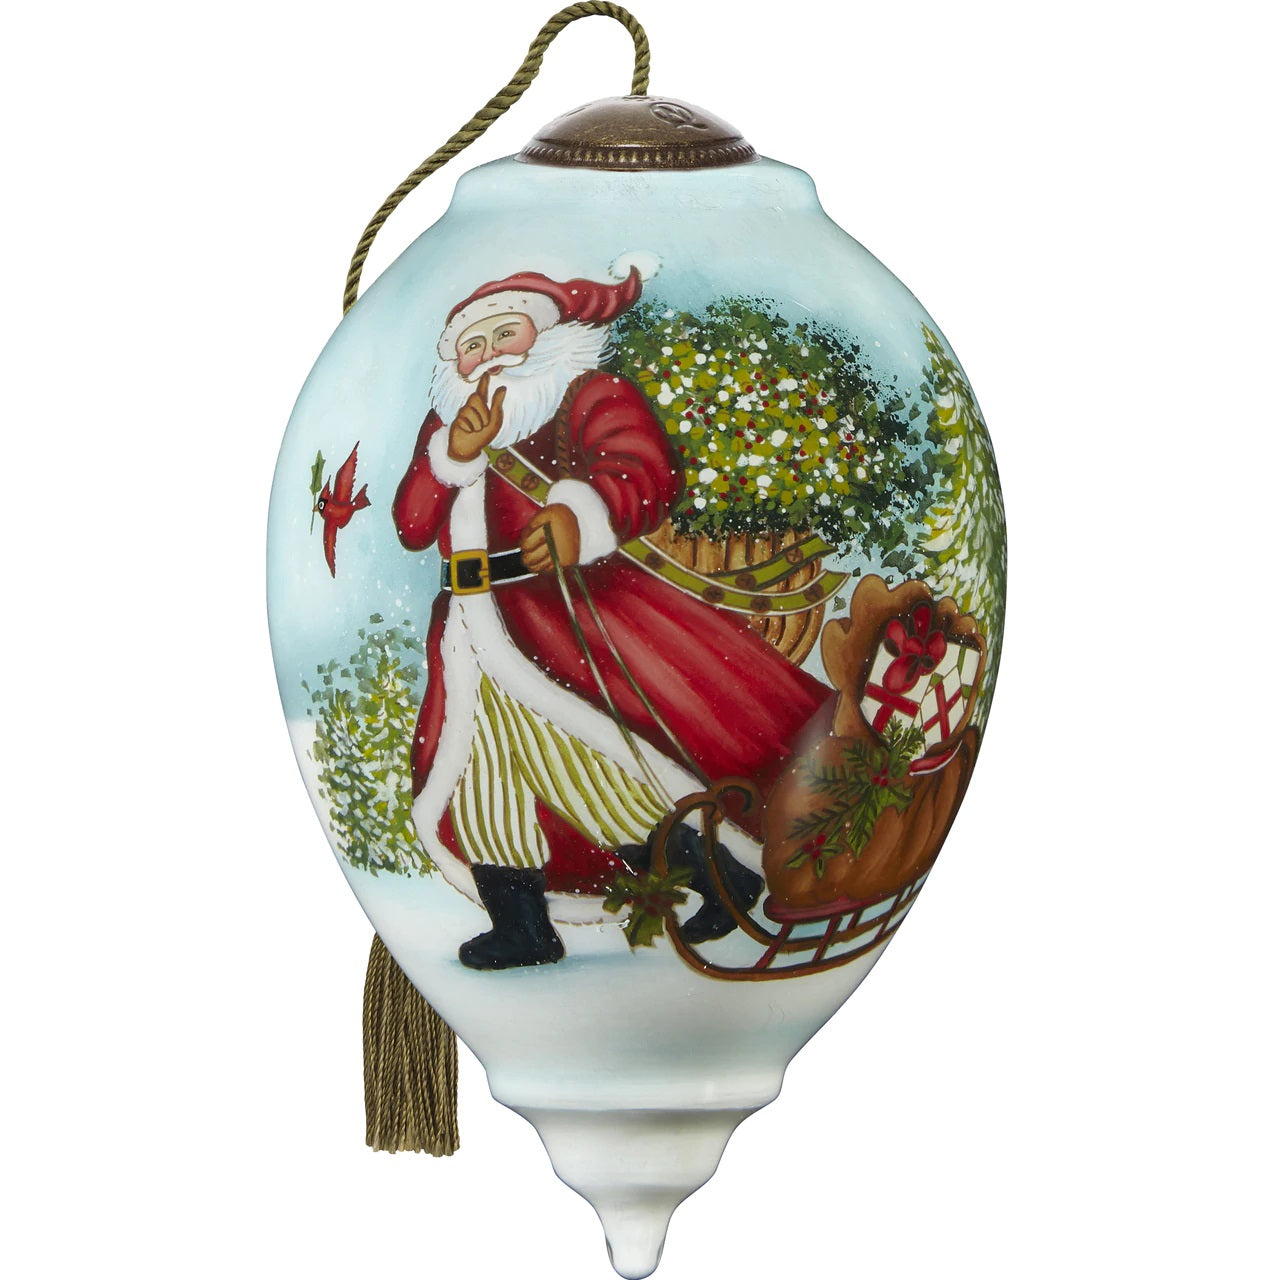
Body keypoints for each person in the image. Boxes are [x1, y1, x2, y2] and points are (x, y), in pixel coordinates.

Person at [393, 264, 830, 969]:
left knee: (603, 758)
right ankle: (522, 924)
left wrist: (581, 516)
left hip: (561, 617)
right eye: (473, 345)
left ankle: (719, 872)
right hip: (468, 633)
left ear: (546, 334)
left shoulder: (584, 393)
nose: (491, 353)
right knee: (478, 771)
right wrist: (453, 457)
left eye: (506, 333)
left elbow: (641, 469)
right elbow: (413, 525)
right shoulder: (447, 429)